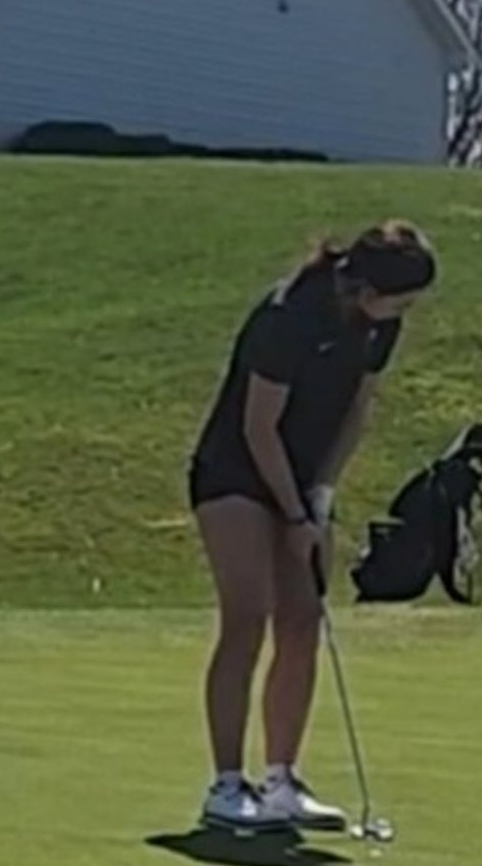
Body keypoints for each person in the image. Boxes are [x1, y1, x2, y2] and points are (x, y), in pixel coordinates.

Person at [185, 220, 437, 831]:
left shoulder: (380, 324)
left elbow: (358, 410)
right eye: (399, 298)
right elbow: (257, 427)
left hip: (302, 477)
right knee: (248, 615)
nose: (403, 313)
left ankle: (281, 781)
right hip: (235, 473)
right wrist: (293, 514)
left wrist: (321, 496)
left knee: (301, 621)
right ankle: (225, 786)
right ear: (365, 285)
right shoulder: (289, 315)